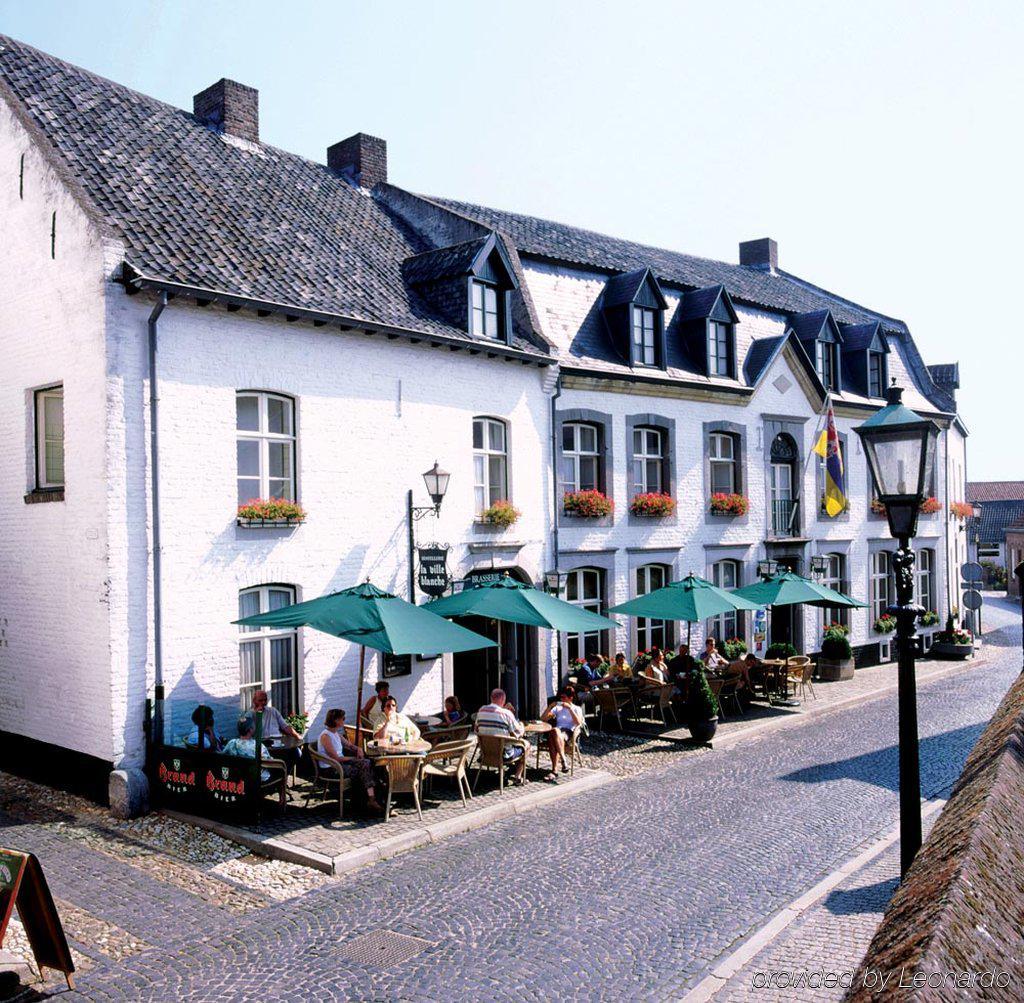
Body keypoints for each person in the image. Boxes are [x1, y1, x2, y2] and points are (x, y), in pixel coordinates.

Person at [318, 708, 383, 814]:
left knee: (368, 763)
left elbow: (349, 745)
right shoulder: (325, 736)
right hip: (332, 768)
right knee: (364, 767)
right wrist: (354, 758)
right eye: (342, 718)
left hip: (340, 764)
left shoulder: (336, 734)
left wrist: (358, 749)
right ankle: (371, 801)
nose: (344, 720)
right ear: (335, 720)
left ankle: (371, 800)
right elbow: (336, 758)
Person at [475, 688, 528, 785]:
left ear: (491, 698)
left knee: (505, 742)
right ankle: (518, 777)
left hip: (485, 753)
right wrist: (522, 725)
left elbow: (476, 730)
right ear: (503, 699)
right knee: (526, 745)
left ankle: (506, 771)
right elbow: (518, 733)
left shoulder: (481, 710)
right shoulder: (506, 714)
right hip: (503, 755)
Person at [540, 687, 584, 781]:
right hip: (558, 732)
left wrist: (570, 709)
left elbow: (578, 723)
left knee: (553, 734)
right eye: (561, 697)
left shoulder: (576, 708)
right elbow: (543, 719)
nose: (561, 700)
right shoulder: (558, 708)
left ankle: (555, 770)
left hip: (568, 732)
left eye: (564, 697)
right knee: (554, 733)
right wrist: (550, 707)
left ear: (570, 698)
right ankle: (563, 762)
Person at [223, 713, 272, 781]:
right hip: (256, 779)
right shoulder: (258, 745)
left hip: (237, 777)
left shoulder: (232, 743)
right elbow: (268, 762)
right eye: (254, 726)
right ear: (250, 729)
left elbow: (223, 755)